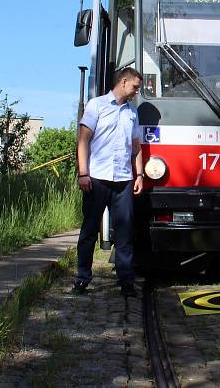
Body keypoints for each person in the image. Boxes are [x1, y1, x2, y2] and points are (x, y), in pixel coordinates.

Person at [73, 67, 144, 298]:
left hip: (123, 180)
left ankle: (126, 282)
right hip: (97, 178)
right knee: (89, 231)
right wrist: (83, 173)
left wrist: (140, 174)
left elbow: (136, 146)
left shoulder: (132, 113)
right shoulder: (97, 105)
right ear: (123, 82)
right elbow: (84, 139)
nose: (136, 92)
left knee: (125, 233)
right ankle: (82, 279)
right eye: (135, 87)